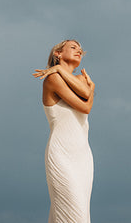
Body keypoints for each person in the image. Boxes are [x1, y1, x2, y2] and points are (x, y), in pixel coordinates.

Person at [33, 39, 95, 223]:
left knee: (79, 214)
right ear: (58, 54)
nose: (79, 51)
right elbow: (86, 104)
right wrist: (92, 89)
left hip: (83, 157)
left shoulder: (80, 78)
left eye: (80, 50)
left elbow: (86, 94)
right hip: (61, 154)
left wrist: (90, 89)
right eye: (73, 47)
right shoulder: (52, 79)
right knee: (74, 214)